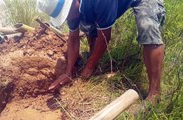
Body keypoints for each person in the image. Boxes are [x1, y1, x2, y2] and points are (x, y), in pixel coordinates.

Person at [36, 0, 166, 103]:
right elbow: (73, 38)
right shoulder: (73, 9)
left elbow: (105, 37)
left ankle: (154, 95)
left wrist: (89, 66)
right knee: (87, 25)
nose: (69, 17)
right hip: (98, 5)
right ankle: (95, 62)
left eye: (68, 12)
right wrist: (68, 71)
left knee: (147, 28)